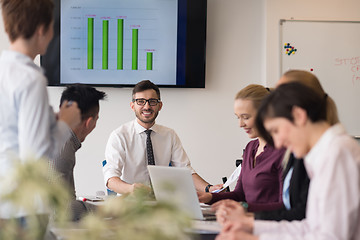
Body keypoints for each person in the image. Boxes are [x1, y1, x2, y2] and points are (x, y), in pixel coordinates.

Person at [216, 82, 360, 240]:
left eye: (276, 130)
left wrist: (253, 238)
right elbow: (309, 227)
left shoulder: (337, 153)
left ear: (299, 116)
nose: (278, 144)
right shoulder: (323, 154)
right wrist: (251, 225)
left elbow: (332, 237)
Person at [0, 0, 81, 221]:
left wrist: (47, 124)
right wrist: (66, 123)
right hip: (24, 208)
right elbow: (35, 158)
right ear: (42, 29)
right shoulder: (31, 79)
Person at [102, 80, 221, 194]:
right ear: (132, 106)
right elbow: (110, 178)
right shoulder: (119, 135)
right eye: (140, 101)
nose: (147, 107)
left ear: (160, 106)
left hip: (162, 204)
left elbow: (185, 171)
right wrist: (131, 189)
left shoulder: (169, 135)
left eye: (152, 101)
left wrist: (209, 188)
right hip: (130, 204)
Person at [197, 84, 286, 212]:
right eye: (238, 117)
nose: (240, 124)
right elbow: (239, 195)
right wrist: (208, 197)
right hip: (247, 222)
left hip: (269, 226)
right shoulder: (251, 148)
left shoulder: (283, 152)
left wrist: (243, 207)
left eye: (246, 117)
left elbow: (286, 207)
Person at [53, 84, 106, 221]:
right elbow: (61, 209)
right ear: (89, 122)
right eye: (97, 119)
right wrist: (104, 210)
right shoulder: (63, 150)